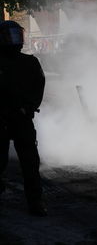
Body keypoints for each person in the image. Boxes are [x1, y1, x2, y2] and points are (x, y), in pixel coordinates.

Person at [0, 20, 46, 216]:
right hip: (2, 119)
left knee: (30, 164)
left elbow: (39, 86)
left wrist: (29, 107)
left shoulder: (30, 62)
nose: (14, 39)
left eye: (16, 34)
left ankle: (35, 202)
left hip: (22, 119)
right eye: (10, 35)